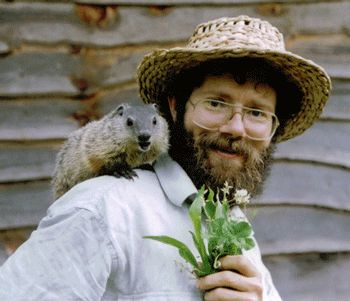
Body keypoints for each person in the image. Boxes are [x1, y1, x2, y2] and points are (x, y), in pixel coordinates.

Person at [0, 15, 331, 300]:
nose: (236, 128)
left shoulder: (238, 232)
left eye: (257, 113)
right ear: (175, 106)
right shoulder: (105, 210)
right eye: (216, 103)